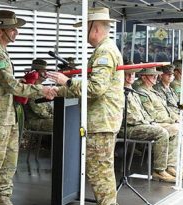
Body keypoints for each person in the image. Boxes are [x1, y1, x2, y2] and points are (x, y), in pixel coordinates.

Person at [0, 10, 56, 205]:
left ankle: (4, 199)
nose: (16, 32)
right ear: (0, 30)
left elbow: (6, 83)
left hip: (7, 116)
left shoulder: (2, 52)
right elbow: (10, 85)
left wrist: (23, 83)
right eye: (12, 29)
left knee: (9, 162)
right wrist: (41, 90)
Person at [47, 7, 123, 204]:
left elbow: (97, 87)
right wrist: (58, 90)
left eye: (85, 29)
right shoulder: (104, 49)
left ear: (94, 28)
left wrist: (68, 82)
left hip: (101, 121)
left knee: (100, 173)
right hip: (102, 120)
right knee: (101, 171)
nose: (83, 34)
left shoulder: (105, 51)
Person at [135, 67, 183, 178]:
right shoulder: (142, 92)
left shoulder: (154, 91)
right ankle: (169, 166)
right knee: (179, 130)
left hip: (167, 120)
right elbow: (153, 115)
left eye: (156, 75)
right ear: (144, 77)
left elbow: (167, 108)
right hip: (158, 122)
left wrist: (176, 117)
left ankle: (175, 162)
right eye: (152, 76)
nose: (156, 78)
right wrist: (172, 120)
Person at [122, 68, 178, 183]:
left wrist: (150, 121)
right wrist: (148, 122)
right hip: (128, 128)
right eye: (127, 74)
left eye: (132, 74)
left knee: (175, 130)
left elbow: (143, 113)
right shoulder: (121, 92)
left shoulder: (132, 91)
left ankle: (171, 165)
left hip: (141, 124)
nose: (130, 77)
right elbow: (129, 117)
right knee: (162, 132)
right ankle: (159, 171)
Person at [25, 59, 53, 132]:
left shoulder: (41, 87)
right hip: (33, 121)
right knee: (58, 123)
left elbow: (49, 107)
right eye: (43, 71)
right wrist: (54, 116)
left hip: (42, 119)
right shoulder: (32, 88)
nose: (46, 74)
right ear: (36, 73)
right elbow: (41, 112)